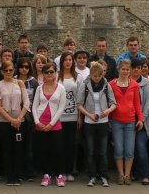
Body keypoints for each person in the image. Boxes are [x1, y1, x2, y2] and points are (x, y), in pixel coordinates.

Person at [77, 62, 117, 187]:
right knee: (91, 151)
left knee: (103, 151)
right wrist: (88, 115)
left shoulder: (106, 85)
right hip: (89, 122)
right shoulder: (84, 85)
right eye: (95, 76)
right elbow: (79, 104)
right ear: (91, 75)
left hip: (103, 122)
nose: (97, 78)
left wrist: (107, 111)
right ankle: (92, 176)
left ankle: (103, 175)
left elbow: (114, 103)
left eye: (99, 76)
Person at [0, 60, 30, 186]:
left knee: (18, 148)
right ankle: (9, 176)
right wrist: (11, 120)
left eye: (11, 70)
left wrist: (19, 118)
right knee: (7, 148)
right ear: (2, 71)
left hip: (19, 121)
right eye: (6, 70)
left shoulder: (19, 83)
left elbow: (26, 102)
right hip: (4, 122)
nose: (8, 72)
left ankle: (17, 175)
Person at [32, 63, 66, 187]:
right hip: (41, 123)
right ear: (43, 74)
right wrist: (37, 122)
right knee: (44, 150)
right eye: (46, 72)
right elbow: (34, 106)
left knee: (57, 150)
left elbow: (61, 107)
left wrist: (51, 124)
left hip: (54, 124)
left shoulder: (61, 88)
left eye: (52, 72)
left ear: (55, 73)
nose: (49, 74)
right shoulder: (39, 88)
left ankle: (59, 175)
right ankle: (46, 174)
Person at [109, 59, 143, 185]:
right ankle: (121, 174)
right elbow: (109, 102)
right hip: (116, 121)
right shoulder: (111, 84)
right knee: (118, 149)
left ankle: (127, 175)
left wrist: (140, 119)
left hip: (130, 121)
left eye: (127, 69)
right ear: (118, 69)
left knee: (129, 150)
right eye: (123, 69)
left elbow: (137, 104)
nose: (125, 71)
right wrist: (108, 119)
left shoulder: (134, 84)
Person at [57, 51, 80, 182]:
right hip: (59, 116)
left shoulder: (77, 77)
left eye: (70, 60)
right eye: (65, 60)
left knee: (71, 145)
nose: (68, 62)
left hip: (73, 115)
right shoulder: (56, 76)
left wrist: (79, 116)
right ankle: (61, 171)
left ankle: (69, 170)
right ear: (62, 62)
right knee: (60, 145)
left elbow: (79, 98)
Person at [130, 58, 149, 185]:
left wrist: (141, 119)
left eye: (138, 68)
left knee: (141, 147)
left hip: (142, 121)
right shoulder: (125, 82)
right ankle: (133, 173)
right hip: (128, 120)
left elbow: (148, 103)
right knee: (131, 149)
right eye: (133, 68)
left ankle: (144, 174)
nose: (136, 70)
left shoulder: (146, 83)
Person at [15, 57, 37, 181]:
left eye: (26, 67)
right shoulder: (13, 80)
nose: (24, 69)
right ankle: (19, 171)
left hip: (30, 117)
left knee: (29, 146)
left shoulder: (33, 82)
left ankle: (29, 171)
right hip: (16, 116)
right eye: (22, 66)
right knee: (18, 145)